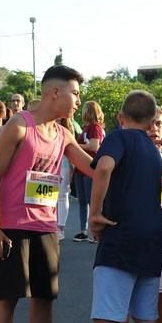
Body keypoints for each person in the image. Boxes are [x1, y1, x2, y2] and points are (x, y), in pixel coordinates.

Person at [0, 65, 93, 323]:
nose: (78, 100)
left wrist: (130, 153)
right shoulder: (19, 127)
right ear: (55, 93)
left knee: (45, 297)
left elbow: (91, 165)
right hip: (13, 227)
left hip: (46, 226)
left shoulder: (63, 133)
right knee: (7, 298)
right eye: (75, 93)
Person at [88, 91, 162, 323]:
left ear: (121, 117)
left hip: (122, 235)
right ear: (151, 122)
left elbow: (104, 167)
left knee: (109, 318)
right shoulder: (152, 149)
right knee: (146, 316)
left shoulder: (118, 138)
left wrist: (94, 212)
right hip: (154, 236)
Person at [73, 101, 105, 243]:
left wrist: (74, 145)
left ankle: (94, 231)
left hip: (90, 167)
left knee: (92, 201)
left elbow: (94, 145)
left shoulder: (94, 127)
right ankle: (83, 230)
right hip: (81, 169)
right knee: (82, 201)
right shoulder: (87, 128)